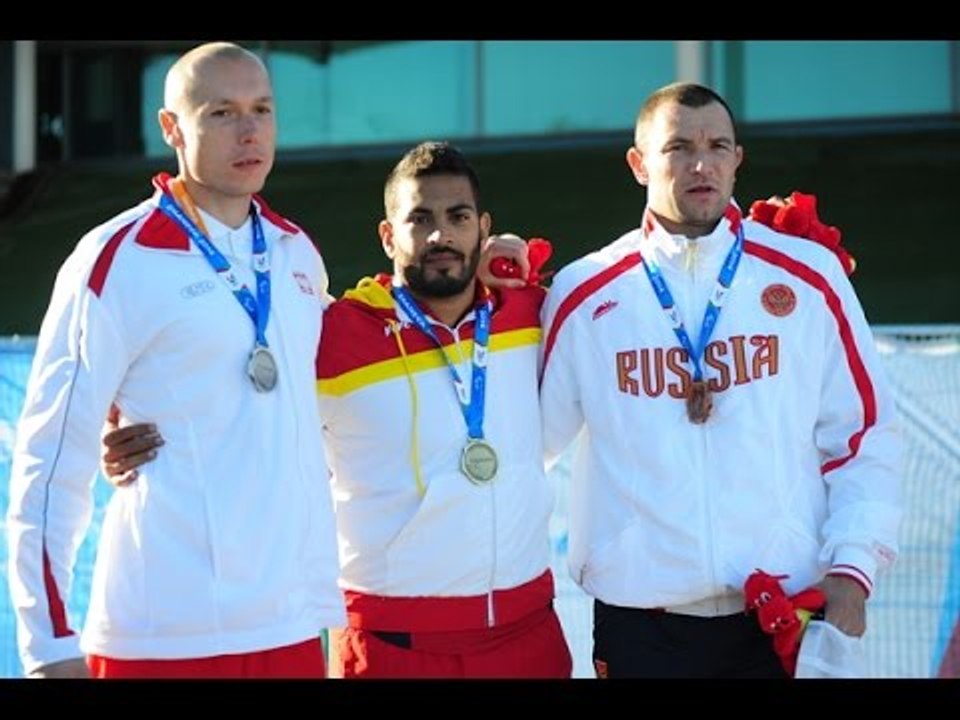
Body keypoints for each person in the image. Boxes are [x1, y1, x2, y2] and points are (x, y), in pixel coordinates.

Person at [102, 141, 572, 679]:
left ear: (483, 227)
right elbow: (223, 389)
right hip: (391, 645)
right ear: (388, 235)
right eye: (420, 219)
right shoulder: (333, 333)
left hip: (527, 634)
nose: (440, 235)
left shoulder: (534, 314)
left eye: (457, 217)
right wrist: (116, 423)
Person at [537, 82, 902, 677]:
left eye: (717, 146)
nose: (700, 163)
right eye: (678, 147)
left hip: (784, 610)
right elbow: (525, 452)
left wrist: (852, 569)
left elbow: (864, 437)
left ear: (738, 160)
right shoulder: (584, 294)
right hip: (642, 619)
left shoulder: (810, 279)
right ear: (639, 164)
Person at [6, 42, 344, 679]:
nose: (249, 132)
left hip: (291, 626)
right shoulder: (116, 260)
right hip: (162, 636)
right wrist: (49, 644)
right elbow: (52, 462)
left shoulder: (297, 253)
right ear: (172, 128)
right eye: (221, 113)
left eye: (262, 110)